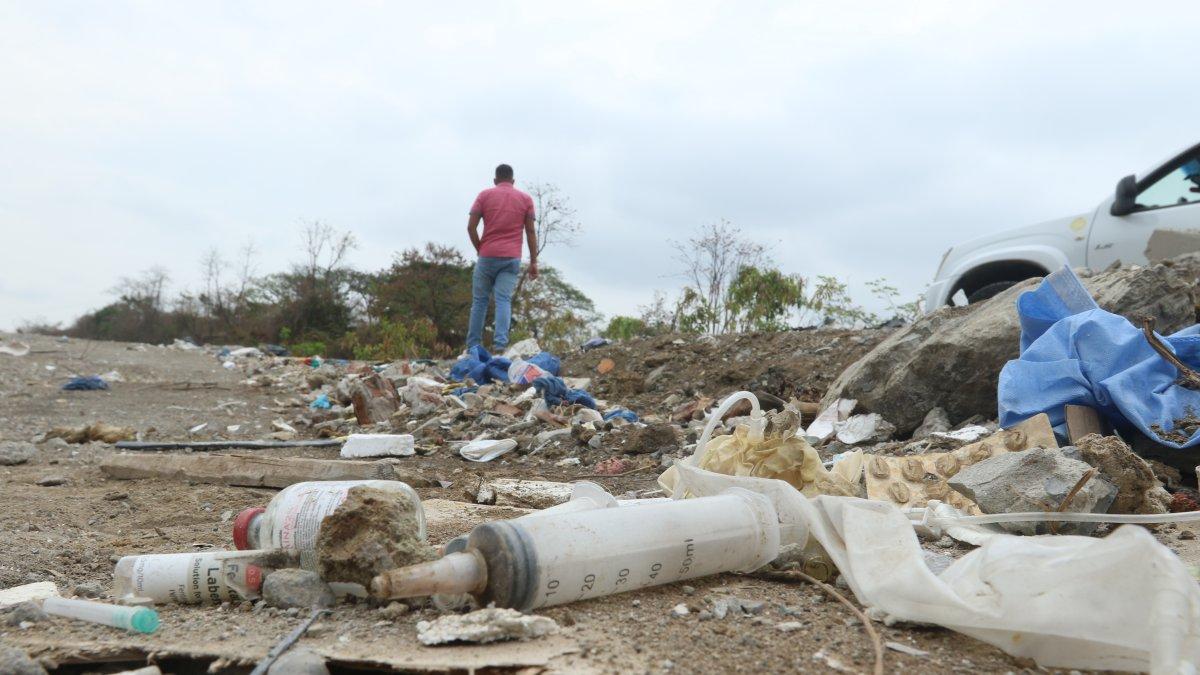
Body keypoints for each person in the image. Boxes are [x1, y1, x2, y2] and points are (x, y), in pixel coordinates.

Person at [466, 163, 539, 351]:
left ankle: (473, 346)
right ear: (513, 181)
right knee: (503, 300)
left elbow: (471, 227)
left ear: (495, 180)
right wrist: (533, 262)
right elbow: (530, 232)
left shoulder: (484, 195)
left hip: (487, 256)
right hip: (511, 258)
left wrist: (480, 248)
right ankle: (500, 347)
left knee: (480, 302)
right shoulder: (525, 199)